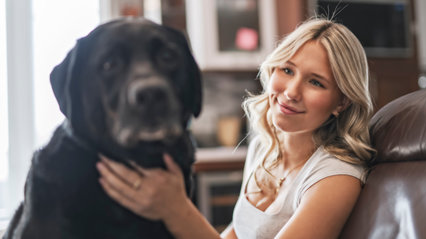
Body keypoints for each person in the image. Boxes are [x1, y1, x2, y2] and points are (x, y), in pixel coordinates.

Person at [96, 18, 375, 239]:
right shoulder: (263, 150)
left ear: (342, 102)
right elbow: (233, 236)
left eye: (316, 82)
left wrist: (176, 210)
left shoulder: (336, 177)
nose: (290, 92)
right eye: (287, 70)